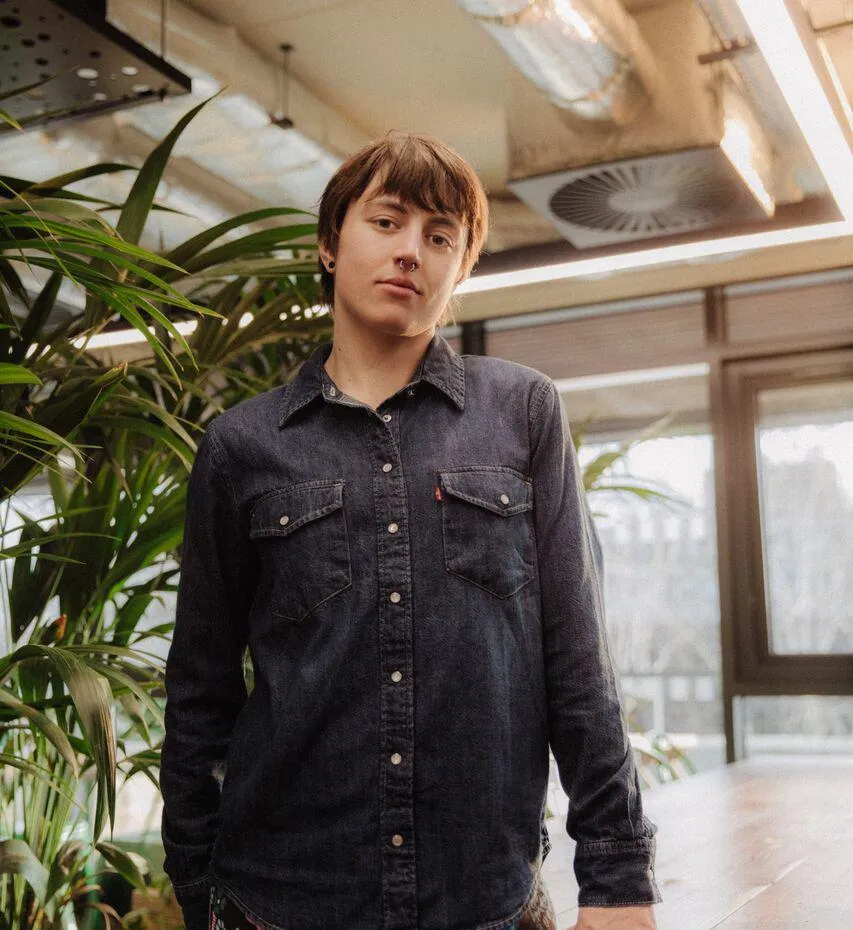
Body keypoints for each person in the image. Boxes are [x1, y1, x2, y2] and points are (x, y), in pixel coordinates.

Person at [160, 131, 661, 930]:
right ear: (330, 245)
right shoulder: (241, 446)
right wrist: (195, 888)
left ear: (459, 269)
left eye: (439, 237)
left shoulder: (521, 412)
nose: (410, 253)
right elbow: (198, 690)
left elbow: (576, 655)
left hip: (481, 898)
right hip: (280, 898)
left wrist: (617, 878)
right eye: (386, 222)